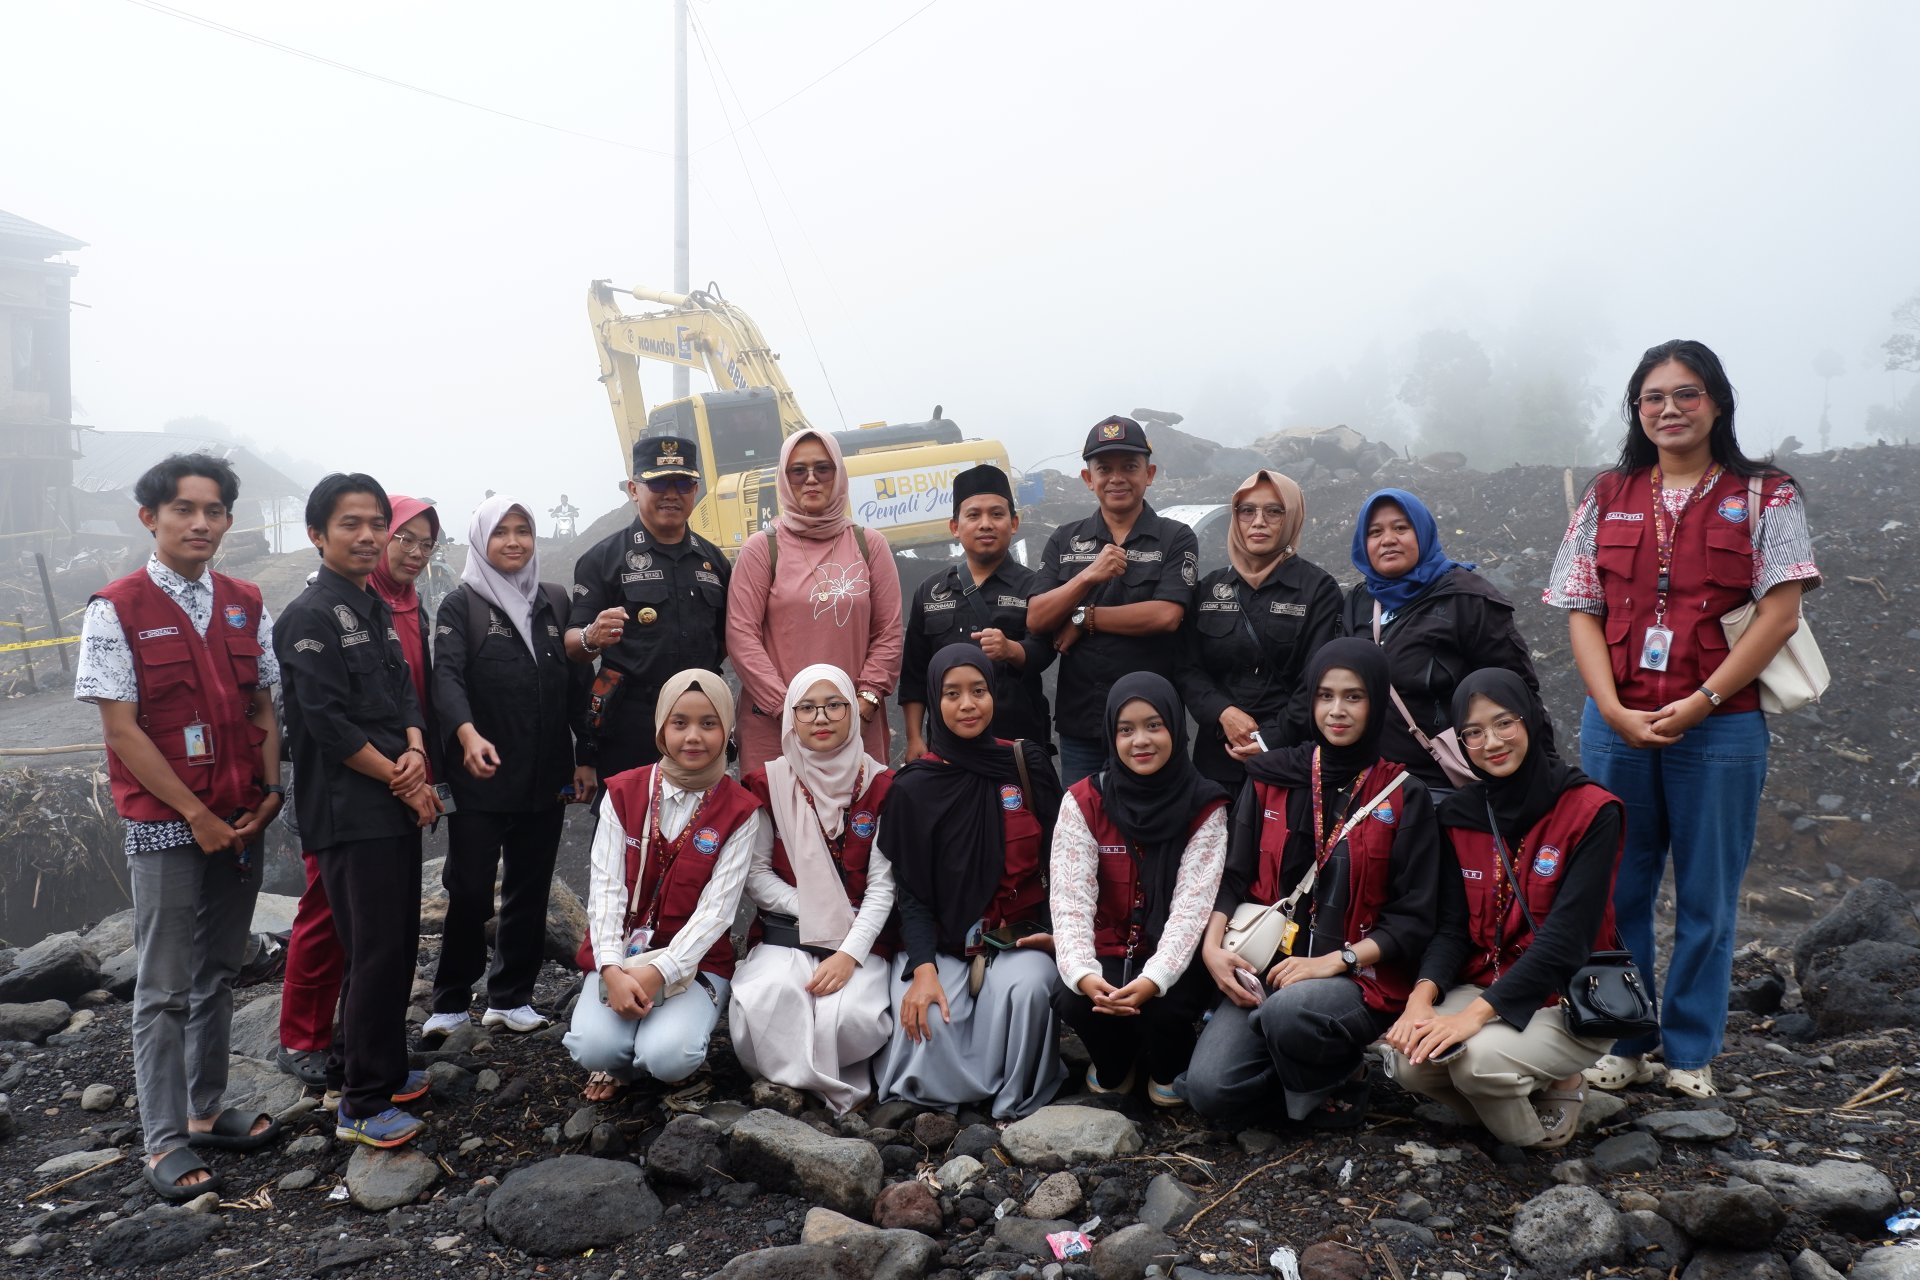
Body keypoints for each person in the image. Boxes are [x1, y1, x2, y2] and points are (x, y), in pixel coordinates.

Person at [1545, 339, 1819, 1100]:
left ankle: (1691, 1050)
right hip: (1617, 725)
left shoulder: (1768, 494)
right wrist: (1609, 708)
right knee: (1617, 887)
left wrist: (1700, 702)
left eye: (1686, 394)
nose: (1670, 408)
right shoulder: (1607, 494)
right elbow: (1580, 607)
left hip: (1721, 726)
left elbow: (1780, 614)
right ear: (1637, 410)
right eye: (1653, 396)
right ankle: (1625, 1036)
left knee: (1707, 893)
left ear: (1718, 402)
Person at [75, 453, 286, 1201]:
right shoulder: (116, 608)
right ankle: (161, 1141)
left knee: (219, 972)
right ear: (150, 518)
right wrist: (192, 814)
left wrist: (269, 791)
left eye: (215, 511)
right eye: (185, 510)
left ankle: (204, 1109)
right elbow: (123, 731)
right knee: (162, 986)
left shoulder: (243, 600)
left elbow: (263, 704)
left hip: (242, 817)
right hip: (171, 823)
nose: (201, 523)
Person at [1182, 639, 1442, 1127]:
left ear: (1378, 702)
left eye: (1353, 697)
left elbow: (1414, 918)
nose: (1337, 711)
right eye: (1325, 696)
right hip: (1265, 968)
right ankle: (1310, 1079)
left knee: (1290, 1012)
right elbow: (1234, 875)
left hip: (1354, 978)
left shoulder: (1405, 795)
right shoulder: (1270, 777)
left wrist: (1332, 961)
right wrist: (1213, 949)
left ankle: (1330, 1066)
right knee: (1209, 1090)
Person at [1384, 670, 1624, 1149]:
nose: (1490, 742)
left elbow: (1566, 940)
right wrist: (1420, 999)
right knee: (1406, 1061)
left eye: (1503, 723)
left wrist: (1471, 1017)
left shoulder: (1592, 812)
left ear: (1531, 720)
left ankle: (1541, 1123)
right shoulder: (1459, 814)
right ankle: (1511, 1089)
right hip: (1486, 982)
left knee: (1476, 1060)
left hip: (1567, 999)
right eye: (1473, 732)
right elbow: (1451, 927)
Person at [275, 474, 443, 1148]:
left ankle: (369, 1065)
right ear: (318, 535)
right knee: (372, 951)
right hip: (350, 812)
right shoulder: (308, 617)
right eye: (352, 523)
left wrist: (414, 749)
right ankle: (362, 1105)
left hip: (391, 804)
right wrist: (402, 779)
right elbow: (324, 723)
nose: (370, 535)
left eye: (377, 522)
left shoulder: (374, 607)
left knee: (395, 945)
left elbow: (402, 694)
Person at [423, 497, 594, 1044]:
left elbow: (576, 688)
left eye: (524, 531)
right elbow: (445, 679)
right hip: (480, 778)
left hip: (545, 775)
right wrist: (466, 734)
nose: (515, 542)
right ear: (481, 542)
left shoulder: (555, 602)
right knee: (469, 889)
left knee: (529, 887)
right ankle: (449, 1001)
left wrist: (585, 756)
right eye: (502, 533)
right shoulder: (462, 605)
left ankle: (510, 997)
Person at [876, 644, 1066, 1118]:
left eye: (978, 691)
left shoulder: (1025, 765)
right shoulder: (913, 787)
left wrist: (1058, 936)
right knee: (927, 1020)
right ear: (935, 703)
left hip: (1017, 937)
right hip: (940, 945)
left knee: (1026, 992)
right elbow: (912, 894)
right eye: (952, 693)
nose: (967, 705)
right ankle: (946, 1099)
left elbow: (1061, 860)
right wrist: (922, 969)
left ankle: (1012, 1099)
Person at [565, 672, 763, 1100]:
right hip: (622, 955)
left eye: (709, 724)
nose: (693, 737)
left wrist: (660, 972)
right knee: (592, 1047)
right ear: (661, 728)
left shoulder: (741, 810)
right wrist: (613, 970)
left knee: (669, 1056)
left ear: (727, 729)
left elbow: (717, 913)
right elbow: (605, 892)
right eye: (680, 723)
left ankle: (667, 1051)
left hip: (695, 963)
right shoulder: (623, 793)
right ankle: (619, 1060)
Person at [1049, 673, 1229, 1105]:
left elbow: (1192, 909)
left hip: (1174, 957)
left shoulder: (1205, 805)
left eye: (1154, 725)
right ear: (1111, 736)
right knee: (1071, 997)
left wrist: (1155, 979)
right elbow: (1070, 901)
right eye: (1125, 730)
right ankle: (1117, 1063)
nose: (1140, 741)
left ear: (1175, 727)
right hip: (1109, 952)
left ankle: (1168, 1062)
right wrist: (1084, 974)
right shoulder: (1083, 801)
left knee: (1165, 1007)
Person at [731, 664, 897, 1116]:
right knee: (770, 996)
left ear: (852, 710)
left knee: (851, 1017)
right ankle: (807, 1087)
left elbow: (884, 886)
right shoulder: (769, 783)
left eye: (834, 705)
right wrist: (813, 909)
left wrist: (849, 953)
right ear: (790, 717)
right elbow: (757, 874)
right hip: (789, 928)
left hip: (862, 936)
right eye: (806, 708)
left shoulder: (883, 785)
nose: (820, 718)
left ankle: (803, 1083)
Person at [1341, 488, 1552, 795]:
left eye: (1401, 528)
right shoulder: (1359, 601)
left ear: (1423, 532)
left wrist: (1547, 775)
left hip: (1444, 783)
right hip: (1373, 782)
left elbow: (1517, 690)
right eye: (1375, 532)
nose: (1387, 539)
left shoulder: (1467, 599)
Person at [1028, 416, 1199, 784]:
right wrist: (1089, 574)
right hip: (1083, 724)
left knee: (1158, 824)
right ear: (1088, 479)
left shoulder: (1176, 538)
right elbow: (1037, 617)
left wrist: (1084, 618)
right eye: (1104, 468)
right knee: (1084, 828)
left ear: (1149, 474)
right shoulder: (1064, 539)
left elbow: (1166, 615)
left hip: (1153, 726)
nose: (1117, 478)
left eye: (1130, 467)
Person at [728, 429, 904, 773]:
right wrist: (790, 712)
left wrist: (866, 699)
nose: (811, 479)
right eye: (798, 471)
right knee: (779, 821)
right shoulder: (762, 549)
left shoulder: (870, 545)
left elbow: (889, 631)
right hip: (775, 727)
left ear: (839, 474)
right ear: (784, 477)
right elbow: (741, 636)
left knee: (860, 822)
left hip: (855, 721)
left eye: (823, 469)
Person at [566, 436, 731, 779]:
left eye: (683, 482)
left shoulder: (714, 562)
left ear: (696, 489)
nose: (672, 493)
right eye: (657, 482)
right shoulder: (603, 559)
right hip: (632, 719)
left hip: (699, 719)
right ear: (633, 489)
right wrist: (592, 637)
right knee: (628, 823)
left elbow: (729, 638)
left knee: (704, 824)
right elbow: (572, 644)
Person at [1176, 469, 1343, 791]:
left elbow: (1320, 679)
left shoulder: (1317, 590)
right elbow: (1186, 667)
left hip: (1289, 760)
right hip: (1217, 758)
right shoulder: (1209, 589)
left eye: (1274, 511)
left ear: (1292, 517)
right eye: (1247, 510)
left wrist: (1272, 737)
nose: (1259, 521)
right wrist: (1222, 712)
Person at [900, 463, 1052, 758]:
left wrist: (1010, 649)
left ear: (1014, 523)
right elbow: (914, 675)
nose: (986, 524)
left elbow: (1045, 652)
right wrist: (914, 738)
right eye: (973, 515)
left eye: (997, 514)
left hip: (1016, 746)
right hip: (947, 749)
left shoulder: (1034, 586)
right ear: (955, 527)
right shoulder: (930, 591)